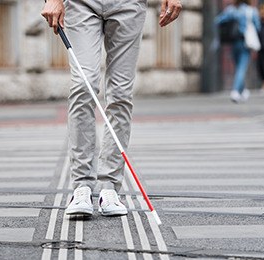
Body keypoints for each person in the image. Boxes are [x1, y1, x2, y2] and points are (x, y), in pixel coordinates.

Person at [41, 0, 182, 217]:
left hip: (129, 4)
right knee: (83, 84)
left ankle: (109, 188)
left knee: (120, 93)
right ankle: (82, 186)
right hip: (81, 4)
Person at [215, 0, 261, 103]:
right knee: (241, 68)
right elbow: (258, 26)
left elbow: (218, 21)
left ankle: (243, 90)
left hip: (233, 42)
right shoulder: (251, 11)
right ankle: (235, 91)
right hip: (245, 43)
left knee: (238, 67)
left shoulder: (230, 10)